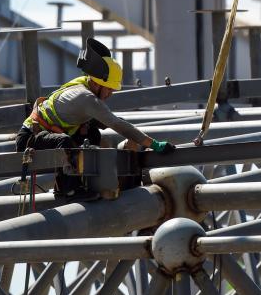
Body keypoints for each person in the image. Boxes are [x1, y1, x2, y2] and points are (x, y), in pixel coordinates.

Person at [16, 38, 176, 197]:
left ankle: (86, 180)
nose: (110, 94)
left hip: (46, 134)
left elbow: (108, 120)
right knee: (64, 142)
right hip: (30, 140)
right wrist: (154, 144)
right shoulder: (86, 97)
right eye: (109, 89)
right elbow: (116, 124)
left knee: (92, 133)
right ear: (98, 83)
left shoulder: (85, 84)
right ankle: (69, 190)